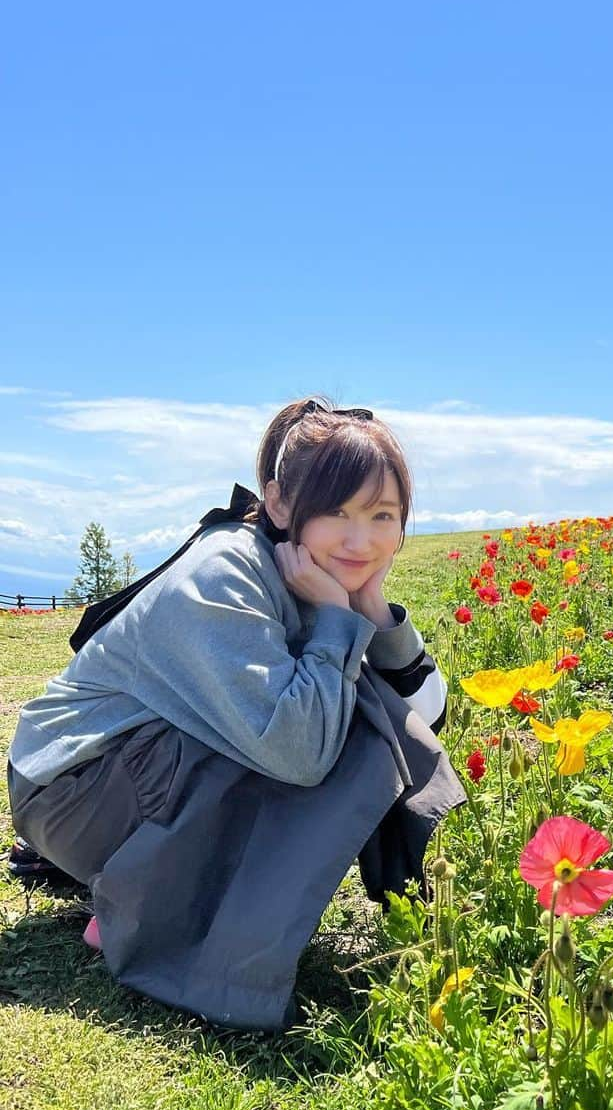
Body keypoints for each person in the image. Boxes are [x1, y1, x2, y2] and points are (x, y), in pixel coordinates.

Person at [4, 396, 466, 1030]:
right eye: (336, 511)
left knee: (350, 706)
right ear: (278, 503)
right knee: (332, 721)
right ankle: (148, 908)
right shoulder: (227, 573)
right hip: (72, 788)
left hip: (129, 769)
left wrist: (371, 606)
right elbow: (300, 754)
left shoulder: (317, 571)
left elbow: (424, 713)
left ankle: (144, 885)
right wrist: (336, 623)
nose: (362, 539)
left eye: (382, 515)